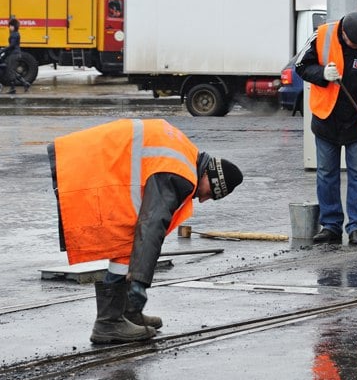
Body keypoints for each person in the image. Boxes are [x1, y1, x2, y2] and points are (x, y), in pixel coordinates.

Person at [47, 118, 243, 344]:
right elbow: (152, 225)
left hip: (89, 161)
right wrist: (140, 282)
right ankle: (108, 323)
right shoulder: (180, 174)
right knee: (135, 235)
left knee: (127, 240)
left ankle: (125, 313)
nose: (205, 199)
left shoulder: (185, 153)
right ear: (211, 176)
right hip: (86, 170)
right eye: (212, 193)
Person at [296, 11, 357, 246]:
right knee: (326, 175)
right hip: (326, 119)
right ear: (343, 32)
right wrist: (322, 74)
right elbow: (300, 65)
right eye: (352, 43)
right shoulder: (322, 35)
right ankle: (330, 225)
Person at [0, 18, 31, 94]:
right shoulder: (16, 33)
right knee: (12, 71)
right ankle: (25, 83)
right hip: (16, 54)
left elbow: (12, 45)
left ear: (13, 26)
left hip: (14, 54)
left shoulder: (14, 34)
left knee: (10, 71)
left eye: (10, 26)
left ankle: (12, 89)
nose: (9, 27)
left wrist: (4, 49)